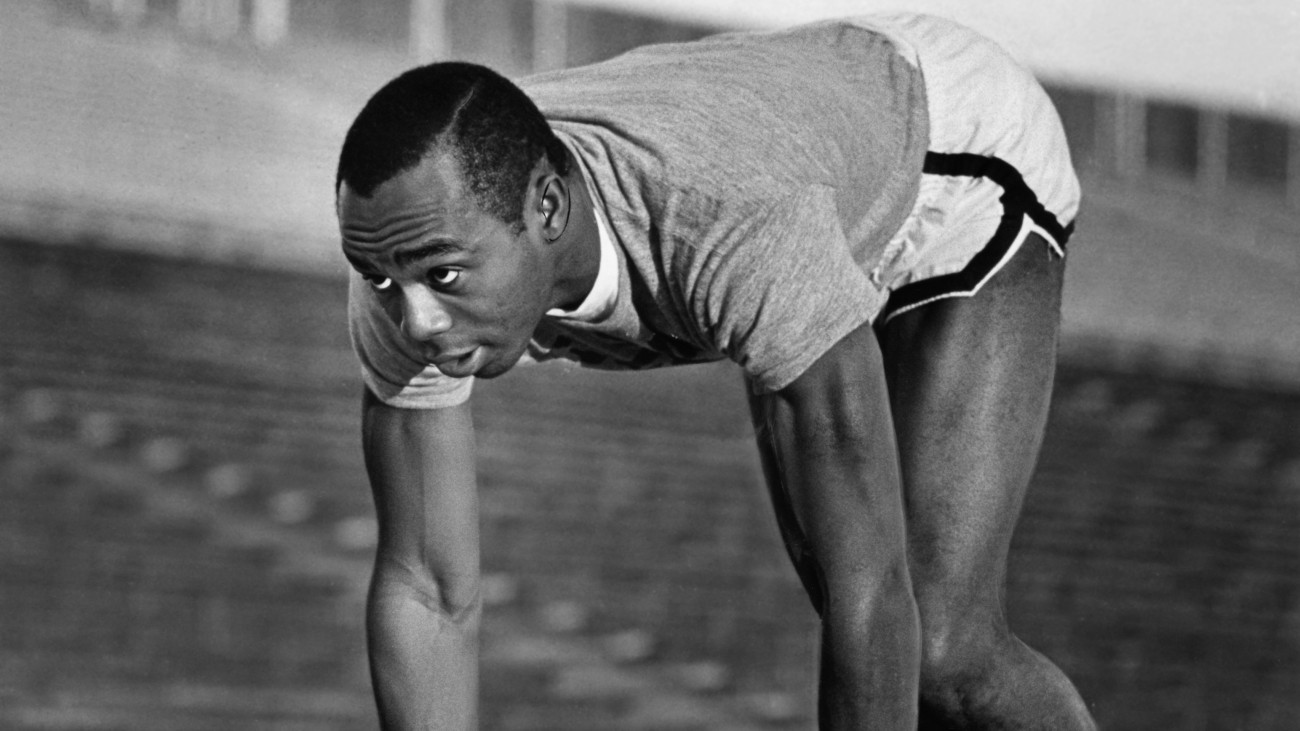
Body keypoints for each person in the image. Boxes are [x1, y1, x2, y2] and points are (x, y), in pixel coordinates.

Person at [335, 12, 1096, 730]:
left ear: (548, 211)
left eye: (443, 276)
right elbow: (428, 587)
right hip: (794, 148)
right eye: (381, 279)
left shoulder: (728, 223)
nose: (416, 322)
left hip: (957, 156)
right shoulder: (404, 253)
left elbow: (873, 585)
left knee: (935, 646)